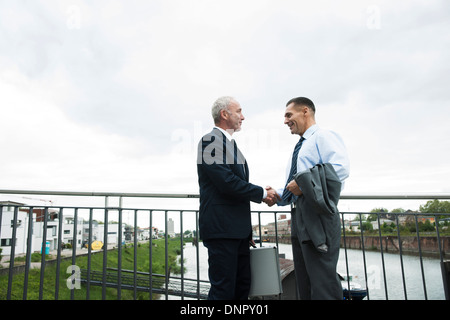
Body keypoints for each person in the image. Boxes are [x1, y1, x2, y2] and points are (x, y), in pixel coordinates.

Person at [197, 96, 280, 300]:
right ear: (224, 114)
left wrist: (245, 230)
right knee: (223, 291)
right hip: (222, 230)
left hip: (237, 232)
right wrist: (262, 193)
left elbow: (235, 187)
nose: (243, 117)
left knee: (242, 287)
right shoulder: (209, 141)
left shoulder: (231, 145)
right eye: (239, 111)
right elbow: (226, 182)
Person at [276, 97, 350, 300]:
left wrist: (303, 184)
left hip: (318, 216)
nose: (285, 121)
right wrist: (278, 194)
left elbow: (340, 169)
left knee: (322, 281)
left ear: (305, 111)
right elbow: (298, 184)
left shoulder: (324, 136)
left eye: (289, 115)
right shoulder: (301, 146)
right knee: (305, 280)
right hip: (300, 214)